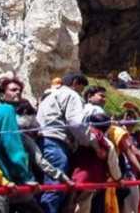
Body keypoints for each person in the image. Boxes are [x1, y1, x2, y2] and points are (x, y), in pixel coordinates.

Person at [37, 72, 91, 213]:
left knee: (46, 184)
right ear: (75, 83)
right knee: (56, 186)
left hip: (42, 140)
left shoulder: (48, 96)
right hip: (57, 143)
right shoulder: (72, 95)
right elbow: (75, 123)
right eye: (81, 87)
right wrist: (88, 142)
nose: (81, 92)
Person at [0, 78, 38, 213]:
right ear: (2, 95)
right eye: (13, 90)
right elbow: (11, 145)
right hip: (8, 179)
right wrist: (25, 176)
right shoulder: (6, 110)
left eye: (20, 90)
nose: (18, 93)